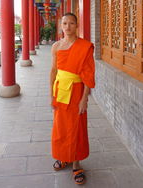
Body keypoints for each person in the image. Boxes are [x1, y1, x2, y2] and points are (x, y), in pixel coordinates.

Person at [50, 12, 95, 185]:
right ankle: (64, 157)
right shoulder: (56, 46)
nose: (67, 27)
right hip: (60, 91)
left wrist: (84, 98)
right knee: (61, 127)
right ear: (61, 26)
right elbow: (53, 71)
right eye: (64, 23)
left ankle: (76, 164)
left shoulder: (84, 46)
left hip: (77, 92)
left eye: (71, 23)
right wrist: (50, 94)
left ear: (77, 25)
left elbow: (88, 74)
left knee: (76, 128)